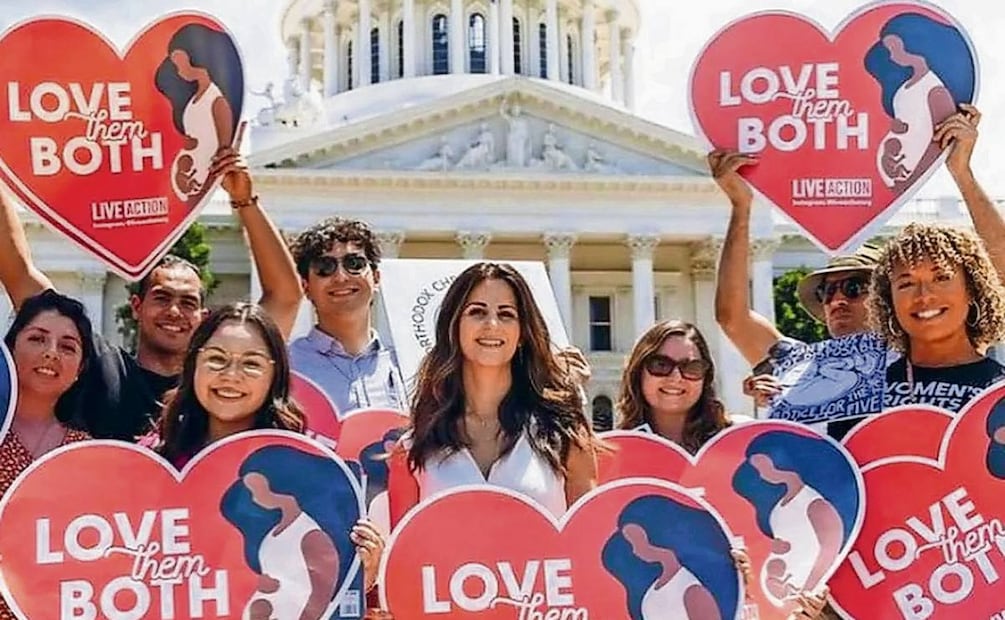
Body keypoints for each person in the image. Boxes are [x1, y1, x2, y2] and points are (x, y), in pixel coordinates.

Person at [0, 147, 302, 442]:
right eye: (162, 297)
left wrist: (244, 200)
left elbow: (286, 296)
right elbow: (19, 271)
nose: (174, 311)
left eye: (188, 302)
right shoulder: (103, 366)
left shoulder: (215, 384)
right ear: (136, 306)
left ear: (202, 317)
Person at [151, 302, 384, 597]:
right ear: (193, 364)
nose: (231, 375)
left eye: (251, 363)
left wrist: (359, 576)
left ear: (275, 375)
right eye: (216, 359)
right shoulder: (153, 465)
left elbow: (318, 595)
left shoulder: (311, 478)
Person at [386, 262, 600, 526]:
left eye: (507, 314)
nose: (492, 324)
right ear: (454, 326)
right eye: (477, 312)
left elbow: (589, 545)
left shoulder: (565, 435)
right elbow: (404, 557)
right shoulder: (412, 449)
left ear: (522, 333)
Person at [0, 291, 94, 619]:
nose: (51, 353)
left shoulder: (91, 456)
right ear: (11, 349)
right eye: (38, 339)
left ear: (80, 368)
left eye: (68, 346)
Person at [866, 222, 1005, 416]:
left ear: (972, 289)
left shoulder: (1000, 391)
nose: (924, 295)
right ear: (889, 300)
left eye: (941, 278)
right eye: (906, 284)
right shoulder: (864, 395)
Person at [221, 445, 364, 620]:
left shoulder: (311, 536)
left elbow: (321, 594)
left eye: (258, 489)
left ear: (282, 486)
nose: (254, 498)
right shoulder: (272, 533)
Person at [288, 217, 408, 414]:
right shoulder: (285, 368)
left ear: (376, 279)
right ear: (306, 287)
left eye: (354, 263)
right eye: (324, 267)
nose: (341, 277)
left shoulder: (409, 363)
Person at [732, 431, 859, 615]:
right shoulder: (776, 509)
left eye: (767, 465)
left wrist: (807, 590)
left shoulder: (816, 506)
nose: (766, 474)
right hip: (774, 597)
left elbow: (829, 551)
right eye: (759, 470)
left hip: (799, 596)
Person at [864, 12, 975, 193]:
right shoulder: (904, 87)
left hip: (906, 177)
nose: (892, 56)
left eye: (895, 48)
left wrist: (909, 183)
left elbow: (935, 146)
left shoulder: (935, 92)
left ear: (914, 45)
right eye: (889, 50)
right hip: (895, 172)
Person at [617, 320, 751, 453]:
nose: (676, 377)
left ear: (705, 377)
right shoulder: (614, 451)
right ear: (638, 372)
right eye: (661, 365)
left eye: (691, 367)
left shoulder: (742, 437)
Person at [602, 495, 739, 620]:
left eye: (638, 541)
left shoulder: (692, 591)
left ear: (658, 535)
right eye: (631, 543)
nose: (635, 550)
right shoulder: (650, 593)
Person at [155, 23, 243, 204]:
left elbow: (223, 153)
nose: (178, 69)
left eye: (179, 61)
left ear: (195, 57)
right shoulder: (193, 98)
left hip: (198, 176)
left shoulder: (217, 101)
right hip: (186, 172)